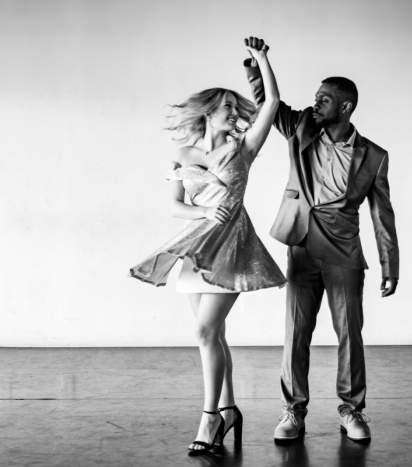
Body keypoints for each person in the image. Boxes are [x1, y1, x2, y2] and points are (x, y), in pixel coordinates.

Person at [129, 38, 284, 453]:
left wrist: (264, 60)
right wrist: (202, 215)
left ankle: (209, 420)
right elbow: (176, 206)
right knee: (213, 335)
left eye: (235, 107)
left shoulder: (243, 148)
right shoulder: (184, 152)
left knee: (204, 331)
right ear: (208, 113)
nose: (234, 112)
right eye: (226, 107)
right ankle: (230, 410)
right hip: (196, 248)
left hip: (234, 247)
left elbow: (271, 102)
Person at [243, 37, 400, 443]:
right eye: (316, 97)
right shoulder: (301, 128)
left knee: (350, 333)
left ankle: (352, 411)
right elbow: (268, 103)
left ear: (346, 107)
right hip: (301, 244)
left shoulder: (374, 155)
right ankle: (293, 412)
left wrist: (390, 265)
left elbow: (382, 213)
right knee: (296, 332)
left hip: (344, 251)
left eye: (325, 100)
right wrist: (258, 61)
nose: (316, 104)